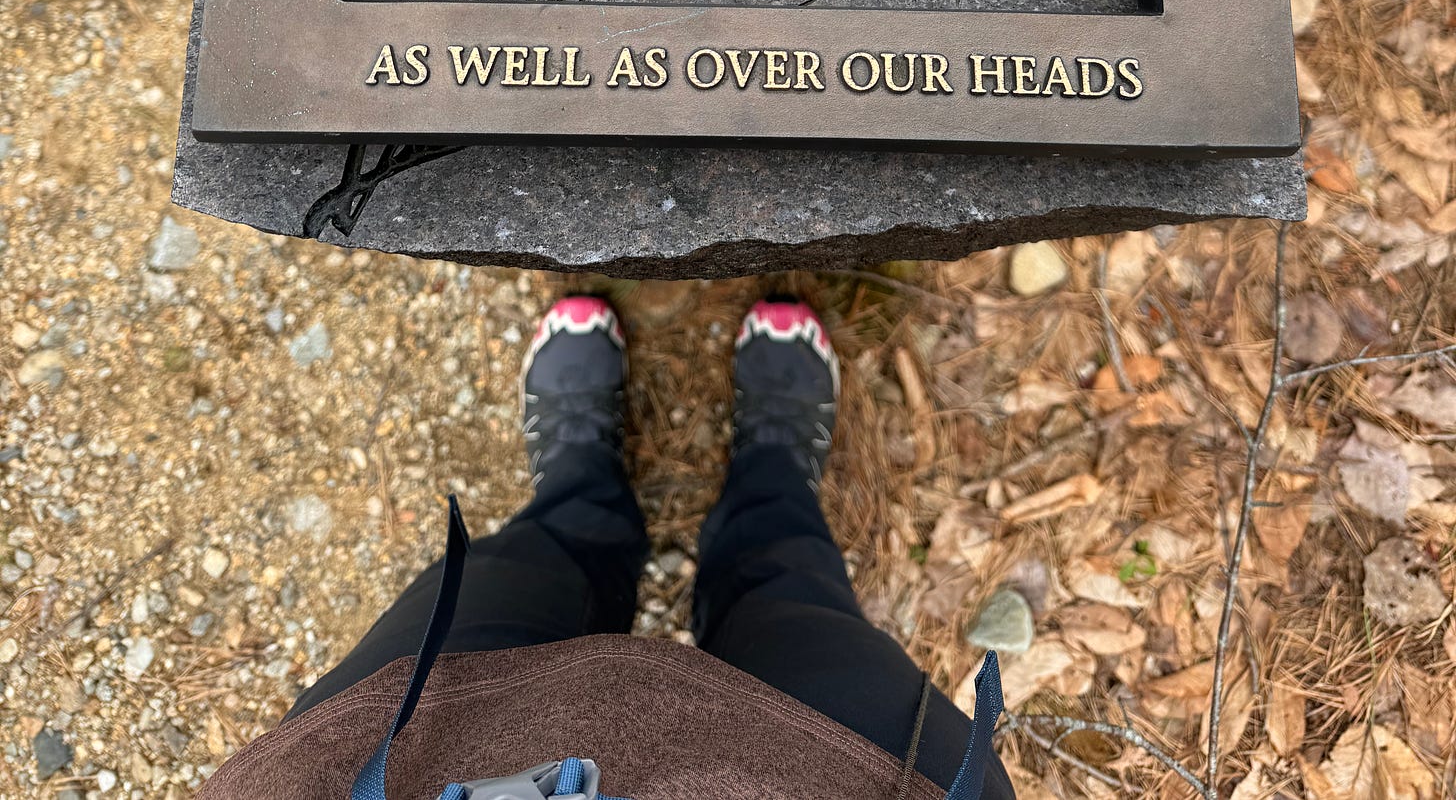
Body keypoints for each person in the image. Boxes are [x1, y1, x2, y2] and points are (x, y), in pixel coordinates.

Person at [202, 295, 1012, 800]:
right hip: (846, 775)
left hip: (415, 765)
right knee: (791, 598)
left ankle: (582, 484)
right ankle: (771, 480)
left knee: (526, 573)